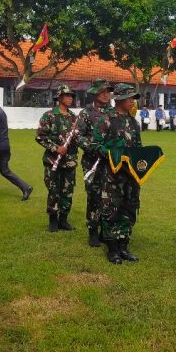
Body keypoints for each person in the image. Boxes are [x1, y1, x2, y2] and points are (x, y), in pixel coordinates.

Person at [94, 83, 143, 264]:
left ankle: (124, 246)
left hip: (131, 176)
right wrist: (111, 155)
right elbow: (94, 144)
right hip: (112, 176)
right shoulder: (106, 119)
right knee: (111, 210)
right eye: (130, 98)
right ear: (120, 99)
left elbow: (138, 148)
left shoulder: (133, 122)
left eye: (133, 98)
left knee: (128, 209)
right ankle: (112, 249)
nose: (132, 101)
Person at [76, 79, 113, 247]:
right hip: (93, 162)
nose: (106, 94)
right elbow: (78, 136)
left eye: (108, 91)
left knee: (110, 197)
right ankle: (93, 231)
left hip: (112, 162)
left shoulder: (114, 113)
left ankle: (107, 231)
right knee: (94, 196)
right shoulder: (86, 113)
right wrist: (94, 147)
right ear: (95, 93)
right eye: (102, 91)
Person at [36, 84, 79, 232]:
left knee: (67, 191)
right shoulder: (49, 115)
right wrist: (55, 148)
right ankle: (53, 220)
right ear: (59, 98)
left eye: (71, 96)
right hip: (52, 161)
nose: (70, 98)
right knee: (53, 190)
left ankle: (64, 220)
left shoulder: (75, 118)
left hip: (70, 161)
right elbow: (40, 137)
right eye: (67, 95)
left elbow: (79, 138)